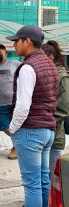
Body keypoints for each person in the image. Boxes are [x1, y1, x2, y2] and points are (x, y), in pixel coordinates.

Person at [6, 25, 59, 207]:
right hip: (47, 130)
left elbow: (22, 107)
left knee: (32, 185)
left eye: (16, 41)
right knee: (43, 180)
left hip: (31, 131)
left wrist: (12, 129)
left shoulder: (28, 67)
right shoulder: (50, 65)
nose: (14, 46)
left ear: (27, 41)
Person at [41, 40, 69, 179]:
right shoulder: (49, 73)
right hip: (45, 132)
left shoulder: (61, 75)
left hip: (54, 133)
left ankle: (50, 201)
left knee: (53, 176)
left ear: (50, 57)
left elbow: (63, 107)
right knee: (43, 174)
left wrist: (47, 125)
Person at [0, 44, 21, 160]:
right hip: (0, 103)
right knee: (3, 125)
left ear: (5, 53)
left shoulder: (15, 64)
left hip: (15, 101)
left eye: (1, 51)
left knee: (17, 125)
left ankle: (15, 147)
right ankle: (20, 142)